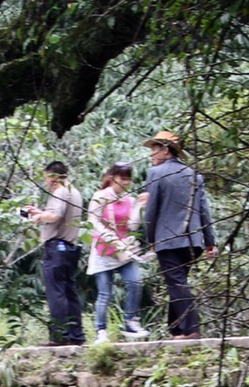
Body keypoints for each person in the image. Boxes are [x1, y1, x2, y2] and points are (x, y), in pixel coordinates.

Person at [137, 130, 217, 340]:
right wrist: (210, 241)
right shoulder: (194, 175)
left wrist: (151, 238)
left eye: (154, 149)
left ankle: (191, 329)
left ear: (165, 150)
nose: (151, 155)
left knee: (177, 283)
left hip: (168, 239)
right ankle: (177, 330)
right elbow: (203, 210)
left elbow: (151, 209)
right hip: (193, 240)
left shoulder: (156, 173)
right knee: (177, 281)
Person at [22, 160, 86, 346]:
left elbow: (56, 216)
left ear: (53, 178)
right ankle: (76, 335)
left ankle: (60, 336)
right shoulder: (74, 191)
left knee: (56, 292)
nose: (46, 183)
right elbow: (61, 215)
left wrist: (39, 217)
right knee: (69, 292)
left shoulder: (59, 191)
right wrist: (42, 212)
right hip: (70, 247)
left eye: (47, 179)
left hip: (56, 248)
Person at [86, 163, 148, 343]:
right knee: (105, 293)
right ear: (113, 177)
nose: (125, 183)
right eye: (122, 179)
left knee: (135, 283)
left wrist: (139, 206)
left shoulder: (129, 199)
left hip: (123, 252)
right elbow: (93, 222)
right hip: (104, 251)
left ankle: (130, 322)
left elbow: (132, 226)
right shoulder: (100, 197)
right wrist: (109, 237)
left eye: (128, 179)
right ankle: (101, 331)